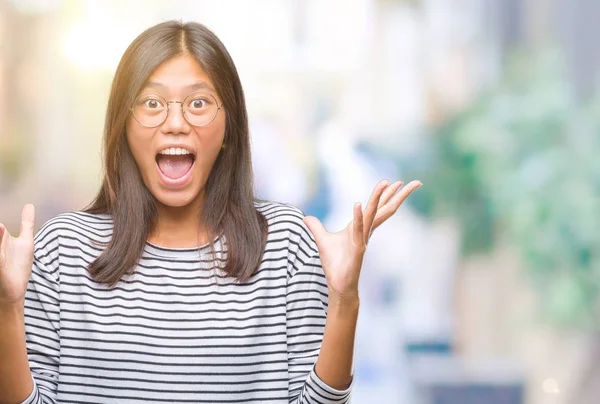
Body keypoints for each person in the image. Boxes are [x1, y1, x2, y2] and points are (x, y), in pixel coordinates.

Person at [0, 20, 421, 404]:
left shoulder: (287, 243)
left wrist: (344, 300)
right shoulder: (61, 248)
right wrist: (7, 307)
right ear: (124, 126)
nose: (176, 123)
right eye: (151, 103)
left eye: (198, 103)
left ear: (227, 127)